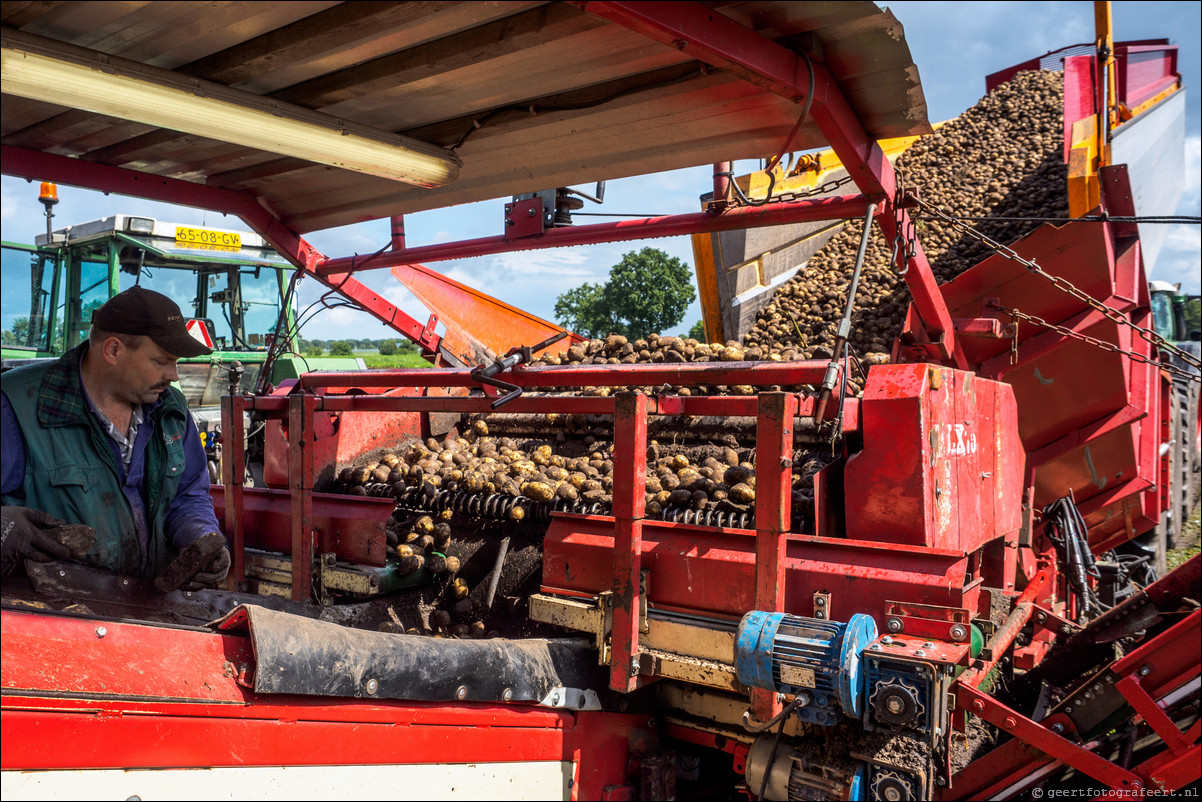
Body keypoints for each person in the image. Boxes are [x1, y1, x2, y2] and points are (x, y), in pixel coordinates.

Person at [1, 286, 229, 588]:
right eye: (161, 361)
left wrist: (200, 536)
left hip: (147, 610)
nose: (174, 375)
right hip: (51, 616)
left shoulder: (171, 409)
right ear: (113, 350)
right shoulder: (16, 407)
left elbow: (188, 493)